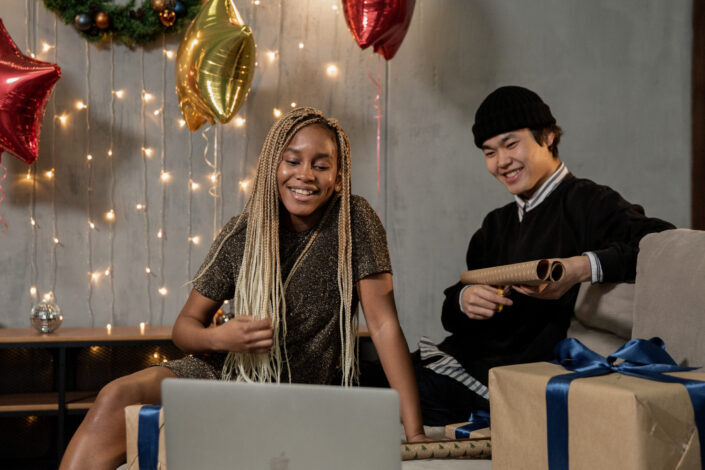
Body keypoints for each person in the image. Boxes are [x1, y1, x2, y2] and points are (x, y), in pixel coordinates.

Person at [59, 107, 427, 470]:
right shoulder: (245, 231)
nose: (305, 175)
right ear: (273, 167)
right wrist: (223, 338)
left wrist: (415, 434)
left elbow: (383, 326)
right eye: (293, 161)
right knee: (115, 395)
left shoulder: (354, 220)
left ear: (339, 175)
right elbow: (184, 327)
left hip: (297, 394)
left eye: (320, 164)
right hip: (224, 377)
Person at [414, 85, 675, 425]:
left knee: (399, 389)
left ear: (548, 136)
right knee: (366, 371)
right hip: (466, 354)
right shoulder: (495, 224)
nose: (501, 161)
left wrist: (580, 267)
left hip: (517, 371)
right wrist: (465, 299)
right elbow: (454, 308)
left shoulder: (588, 202)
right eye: (489, 152)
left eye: (511, 144)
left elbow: (661, 242)